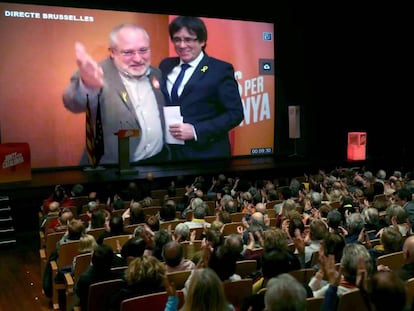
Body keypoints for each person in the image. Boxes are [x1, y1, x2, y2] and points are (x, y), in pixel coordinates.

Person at [63, 23, 168, 165]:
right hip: (113, 168)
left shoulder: (156, 73)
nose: (138, 59)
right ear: (112, 52)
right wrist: (88, 87)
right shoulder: (96, 74)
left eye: (143, 50)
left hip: (157, 161)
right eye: (128, 52)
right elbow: (73, 102)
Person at [159, 16, 244, 162]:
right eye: (177, 39)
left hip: (207, 155)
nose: (182, 45)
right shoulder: (166, 65)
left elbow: (235, 114)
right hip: (171, 155)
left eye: (189, 39)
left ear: (202, 41)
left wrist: (196, 130)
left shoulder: (220, 69)